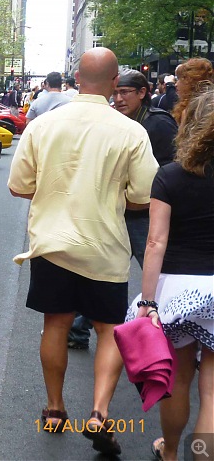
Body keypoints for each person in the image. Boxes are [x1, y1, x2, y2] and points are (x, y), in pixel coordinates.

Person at [7, 47, 158, 456]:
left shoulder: (44, 125)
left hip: (52, 244)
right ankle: (99, 412)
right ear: (114, 83)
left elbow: (19, 186)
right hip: (104, 246)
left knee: (56, 324)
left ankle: (55, 409)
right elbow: (144, 195)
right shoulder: (130, 131)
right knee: (109, 328)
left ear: (76, 77)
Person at [130, 89, 214, 461]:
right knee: (211, 392)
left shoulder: (170, 176)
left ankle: (171, 452)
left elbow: (155, 243)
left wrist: (148, 301)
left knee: (178, 380)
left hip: (178, 289)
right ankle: (203, 455)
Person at [68, 69, 178, 350]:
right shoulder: (115, 121)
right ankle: (78, 331)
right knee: (100, 273)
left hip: (145, 215)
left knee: (158, 275)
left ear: (142, 93)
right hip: (116, 212)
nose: (118, 98)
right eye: (116, 92)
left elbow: (170, 170)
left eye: (125, 93)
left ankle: (173, 331)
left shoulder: (158, 124)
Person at [173, 57, 214, 124]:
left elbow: (183, 134)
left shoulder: (191, 111)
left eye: (180, 78)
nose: (176, 84)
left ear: (190, 81)